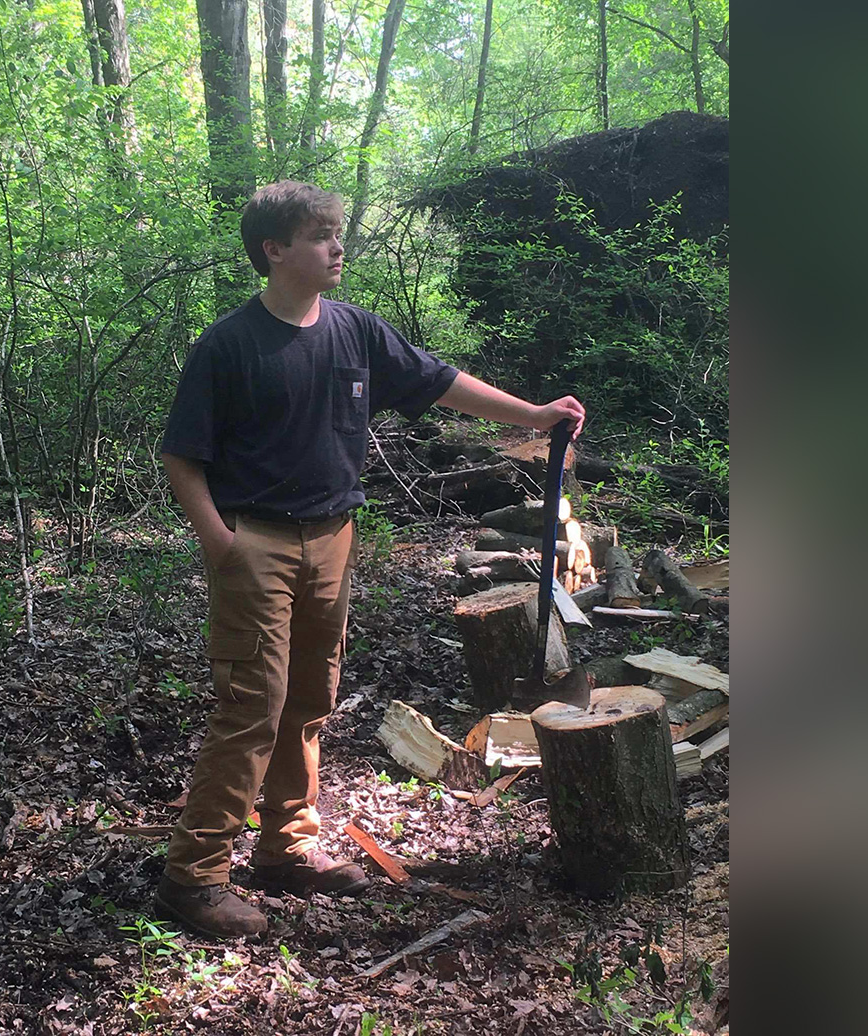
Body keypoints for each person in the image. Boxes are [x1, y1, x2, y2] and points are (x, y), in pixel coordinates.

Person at [154, 181, 584, 938]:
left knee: (310, 700)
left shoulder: (356, 331)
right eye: (321, 235)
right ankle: (194, 878)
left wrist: (535, 414)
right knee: (252, 706)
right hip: (255, 538)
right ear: (275, 250)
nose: (337, 246)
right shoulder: (229, 344)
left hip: (332, 539)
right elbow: (182, 460)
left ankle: (286, 849)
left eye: (338, 233)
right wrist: (221, 544)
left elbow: (443, 383)